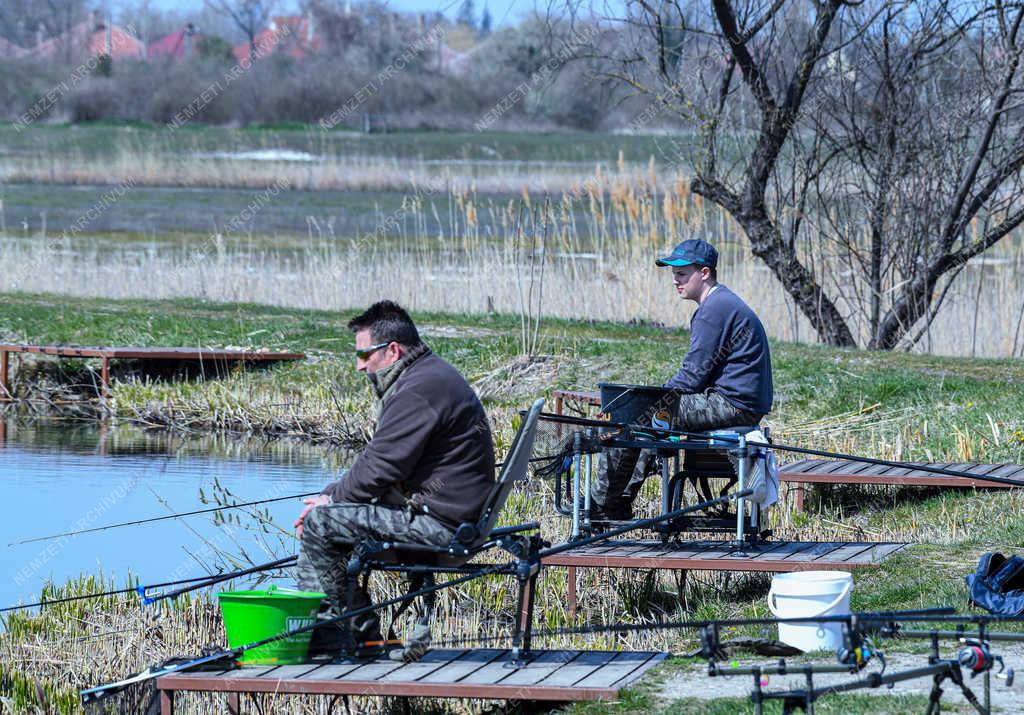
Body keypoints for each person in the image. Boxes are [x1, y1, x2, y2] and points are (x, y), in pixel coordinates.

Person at [294, 300, 495, 660]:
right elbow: (379, 463)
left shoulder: (420, 389)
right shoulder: (427, 376)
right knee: (325, 519)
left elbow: (381, 468)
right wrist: (330, 495)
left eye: (364, 355)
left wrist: (330, 503)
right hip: (446, 513)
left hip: (443, 525)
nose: (359, 366)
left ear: (392, 350)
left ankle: (342, 639)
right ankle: (348, 636)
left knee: (321, 524)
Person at [591, 238, 774, 520]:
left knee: (636, 417)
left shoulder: (714, 310)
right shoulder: (723, 302)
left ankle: (602, 503)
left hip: (732, 405)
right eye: (674, 274)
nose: (675, 280)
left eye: (682, 273)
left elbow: (691, 377)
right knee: (650, 419)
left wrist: (648, 401)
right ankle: (619, 500)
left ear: (704, 273)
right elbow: (698, 376)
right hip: (738, 402)